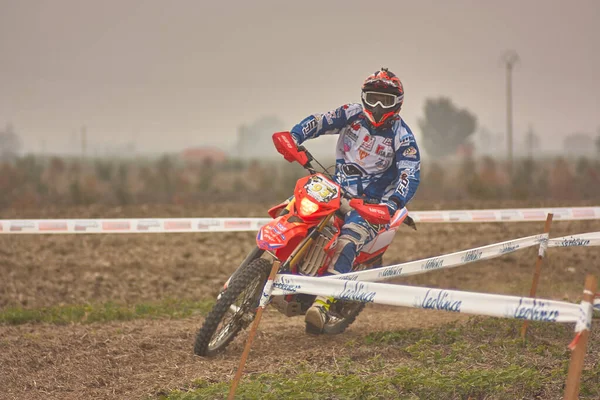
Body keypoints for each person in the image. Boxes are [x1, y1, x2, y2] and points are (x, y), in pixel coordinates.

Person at [288, 68, 421, 333]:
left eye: (386, 100)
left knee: (347, 241)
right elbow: (320, 120)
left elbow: (410, 173)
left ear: (398, 103)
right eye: (373, 98)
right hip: (334, 187)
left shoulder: (402, 137)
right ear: (364, 97)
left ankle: (323, 303)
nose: (379, 106)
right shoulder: (351, 114)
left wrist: (393, 203)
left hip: (370, 204)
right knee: (293, 211)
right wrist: (294, 137)